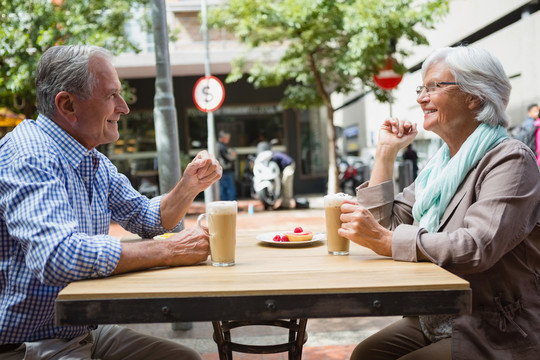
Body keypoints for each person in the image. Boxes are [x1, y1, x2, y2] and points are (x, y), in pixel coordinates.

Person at [0, 45, 222, 359]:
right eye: (112, 95)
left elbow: (147, 218)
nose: (124, 107)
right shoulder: (30, 155)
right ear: (68, 105)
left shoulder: (91, 160)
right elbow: (56, 257)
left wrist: (188, 186)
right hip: (28, 345)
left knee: (184, 358)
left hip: (80, 330)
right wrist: (168, 250)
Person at [340, 46, 540, 360]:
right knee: (367, 354)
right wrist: (385, 154)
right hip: (438, 313)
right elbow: (388, 226)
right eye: (421, 88)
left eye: (434, 87)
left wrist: (385, 241)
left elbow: (477, 246)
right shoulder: (443, 163)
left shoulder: (511, 159)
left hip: (492, 323)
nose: (421, 97)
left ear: (474, 96)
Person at [217, 130, 237, 201]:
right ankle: (232, 206)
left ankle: (225, 207)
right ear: (222, 138)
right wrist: (233, 156)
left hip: (222, 171)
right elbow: (227, 158)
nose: (228, 139)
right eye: (227, 138)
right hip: (225, 171)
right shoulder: (221, 146)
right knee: (230, 189)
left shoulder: (219, 146)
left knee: (224, 190)